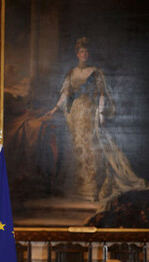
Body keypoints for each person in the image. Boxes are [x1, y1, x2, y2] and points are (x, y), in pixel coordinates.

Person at [46, 36, 146, 202]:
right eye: (81, 52)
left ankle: (92, 189)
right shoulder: (72, 73)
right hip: (75, 116)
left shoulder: (96, 72)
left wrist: (100, 113)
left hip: (90, 114)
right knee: (76, 150)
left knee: (92, 150)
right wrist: (55, 108)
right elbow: (65, 93)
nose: (84, 54)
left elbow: (101, 95)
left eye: (86, 51)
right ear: (77, 54)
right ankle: (78, 189)